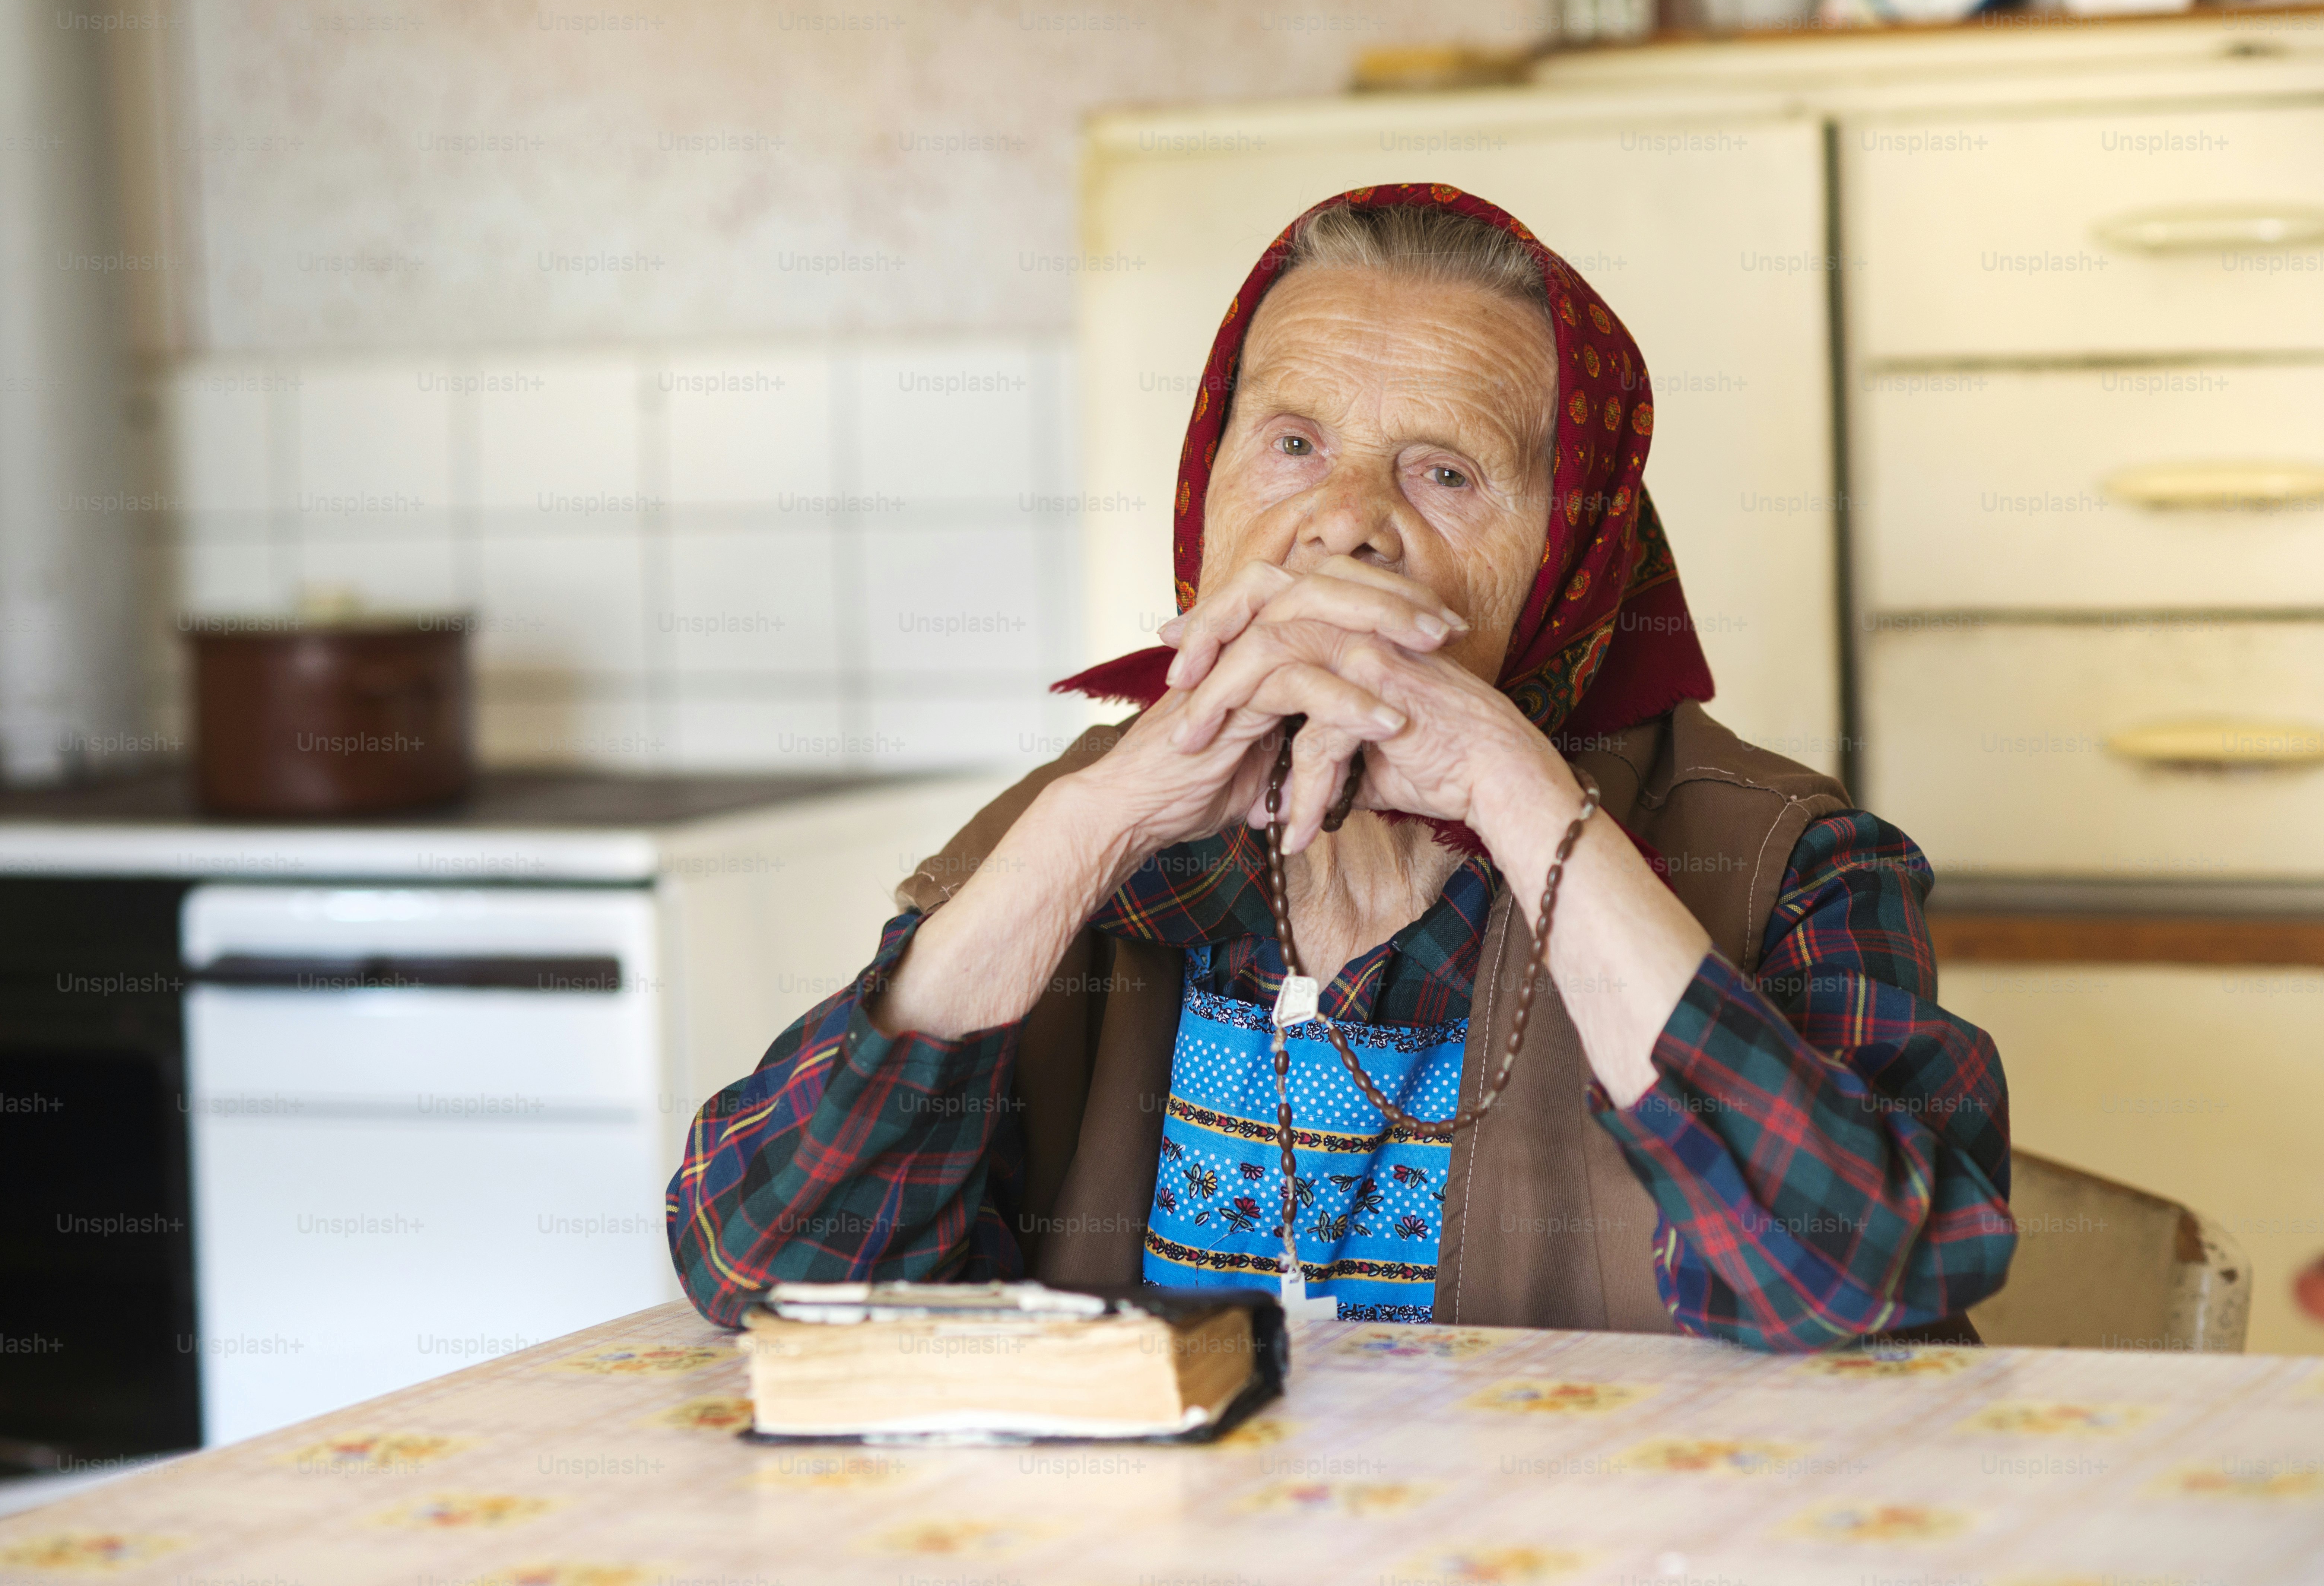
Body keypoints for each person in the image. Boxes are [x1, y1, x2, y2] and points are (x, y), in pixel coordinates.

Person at [666, 184, 2015, 1350]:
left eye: (1443, 473)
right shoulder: (1090, 827)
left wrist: (1523, 796)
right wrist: (1085, 835)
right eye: (1295, 445)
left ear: (1574, 552)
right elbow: (761, 1270)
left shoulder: (1784, 860)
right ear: (1209, 487)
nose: (1345, 527)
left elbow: (1871, 1300)